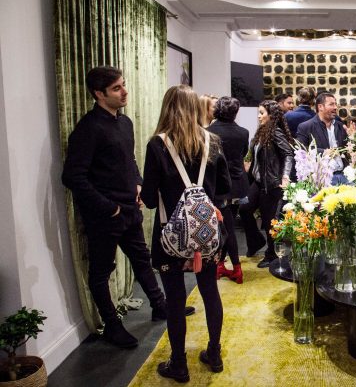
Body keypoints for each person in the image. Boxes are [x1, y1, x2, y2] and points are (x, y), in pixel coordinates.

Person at [62, 66, 170, 349]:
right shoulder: (88, 129)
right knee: (101, 271)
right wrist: (109, 208)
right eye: (116, 88)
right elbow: (72, 177)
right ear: (99, 94)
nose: (124, 92)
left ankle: (160, 306)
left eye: (123, 85)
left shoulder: (125, 123)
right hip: (105, 216)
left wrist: (138, 184)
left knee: (142, 259)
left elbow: (129, 160)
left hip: (129, 209)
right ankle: (112, 325)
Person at [140, 85, 230, 382]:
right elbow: (225, 188)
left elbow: (150, 199)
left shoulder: (158, 144)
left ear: (167, 108)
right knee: (210, 291)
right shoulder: (212, 141)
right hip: (207, 234)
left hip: (170, 235)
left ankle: (179, 363)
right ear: (195, 108)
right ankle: (214, 353)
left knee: (175, 299)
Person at [240, 100, 294, 268]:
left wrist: (285, 176)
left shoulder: (275, 132)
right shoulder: (262, 132)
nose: (259, 116)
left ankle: (271, 254)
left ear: (271, 115)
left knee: (269, 220)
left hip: (271, 183)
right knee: (244, 208)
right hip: (258, 181)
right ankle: (256, 241)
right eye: (259, 112)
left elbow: (288, 154)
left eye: (262, 113)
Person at [207, 96, 250, 284]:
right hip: (239, 184)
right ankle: (222, 265)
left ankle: (235, 267)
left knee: (227, 228)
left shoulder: (209, 132)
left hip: (219, 186)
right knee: (228, 225)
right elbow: (242, 154)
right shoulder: (243, 132)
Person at [296, 92, 349, 185]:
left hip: (344, 175)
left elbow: (347, 148)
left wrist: (353, 137)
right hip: (322, 179)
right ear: (320, 107)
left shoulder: (340, 126)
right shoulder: (305, 127)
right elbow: (301, 151)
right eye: (331, 104)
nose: (335, 107)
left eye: (335, 104)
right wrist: (323, 152)